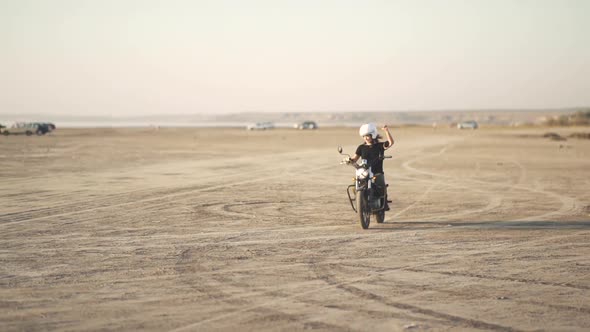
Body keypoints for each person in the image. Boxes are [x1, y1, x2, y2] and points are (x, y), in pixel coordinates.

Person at [344, 123, 394, 210]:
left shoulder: (379, 146)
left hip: (377, 172)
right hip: (365, 172)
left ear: (373, 135)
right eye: (364, 136)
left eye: (367, 136)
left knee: (381, 186)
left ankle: (384, 203)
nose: (366, 138)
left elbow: (390, 143)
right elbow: (355, 158)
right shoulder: (361, 147)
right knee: (354, 184)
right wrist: (349, 160)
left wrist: (386, 131)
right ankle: (360, 200)